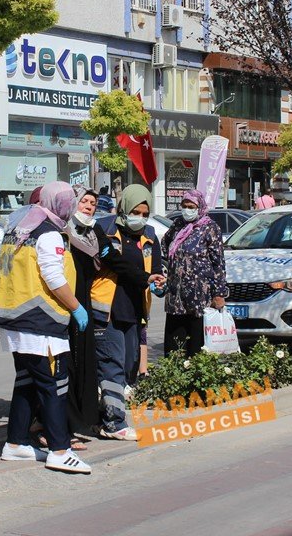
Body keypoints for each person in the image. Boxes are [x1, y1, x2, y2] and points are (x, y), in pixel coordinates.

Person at [0, 181, 92, 474]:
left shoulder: (19, 228)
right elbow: (53, 277)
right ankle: (60, 449)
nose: (72, 207)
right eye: (68, 202)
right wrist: (76, 307)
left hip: (15, 317)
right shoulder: (48, 234)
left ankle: (16, 443)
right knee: (53, 384)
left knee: (27, 381)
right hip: (39, 320)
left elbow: (2, 262)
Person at [91, 184, 164, 441]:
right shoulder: (105, 229)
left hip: (135, 310)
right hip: (108, 309)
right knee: (111, 366)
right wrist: (146, 277)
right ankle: (114, 423)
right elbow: (113, 261)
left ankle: (102, 417)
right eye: (136, 211)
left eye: (145, 213)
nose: (140, 218)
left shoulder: (151, 235)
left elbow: (156, 267)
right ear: (124, 208)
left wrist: (158, 282)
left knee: (128, 368)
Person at [162, 190, 228, 354]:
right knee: (175, 346)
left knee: (196, 345)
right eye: (184, 206)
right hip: (176, 296)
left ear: (200, 207)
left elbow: (218, 262)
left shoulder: (210, 228)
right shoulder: (178, 225)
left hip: (199, 296)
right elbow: (164, 245)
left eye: (191, 206)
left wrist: (219, 293)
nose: (187, 210)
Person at [65, 189, 105, 439]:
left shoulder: (95, 231)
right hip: (65, 302)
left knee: (85, 361)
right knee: (66, 363)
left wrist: (143, 278)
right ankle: (64, 423)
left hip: (85, 304)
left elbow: (112, 257)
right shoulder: (63, 230)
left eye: (93, 203)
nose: (89, 206)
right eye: (84, 201)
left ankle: (84, 418)